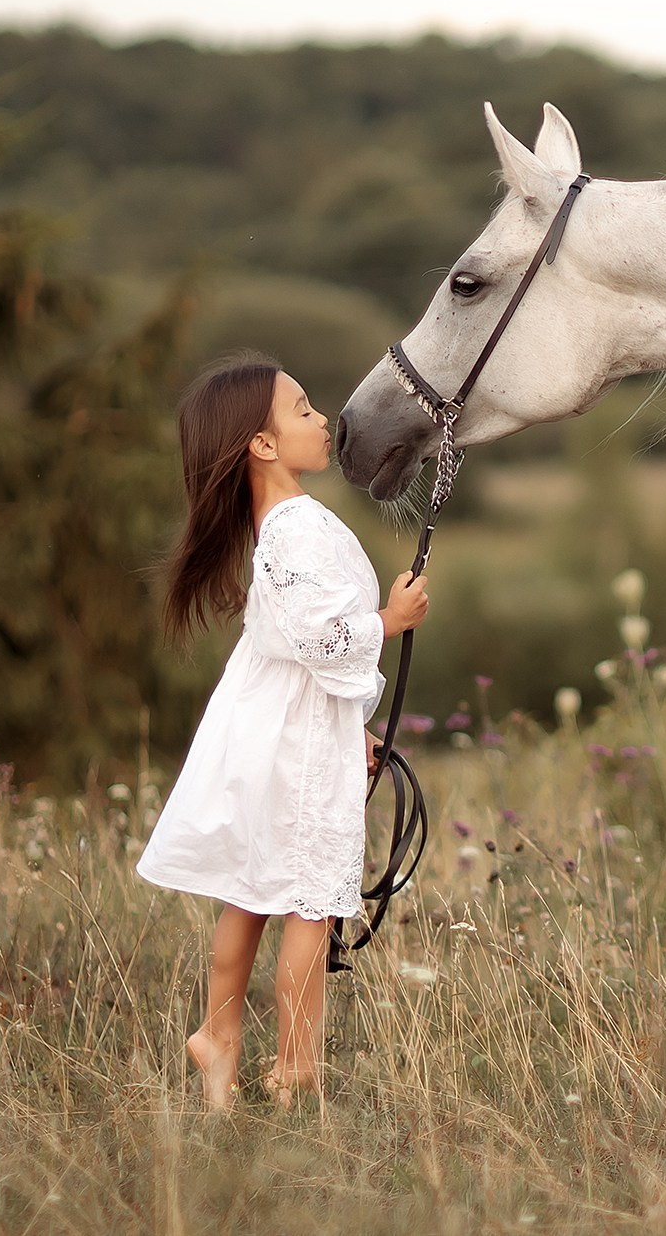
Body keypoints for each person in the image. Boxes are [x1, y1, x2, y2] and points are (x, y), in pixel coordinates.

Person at [137, 351, 429, 1109]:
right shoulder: (295, 529)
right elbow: (318, 637)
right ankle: (293, 1065)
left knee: (253, 893)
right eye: (302, 411)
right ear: (261, 445)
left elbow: (299, 651)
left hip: (287, 733)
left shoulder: (284, 526)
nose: (323, 419)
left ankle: (219, 1036)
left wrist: (351, 728)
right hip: (293, 751)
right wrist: (388, 621)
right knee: (308, 901)